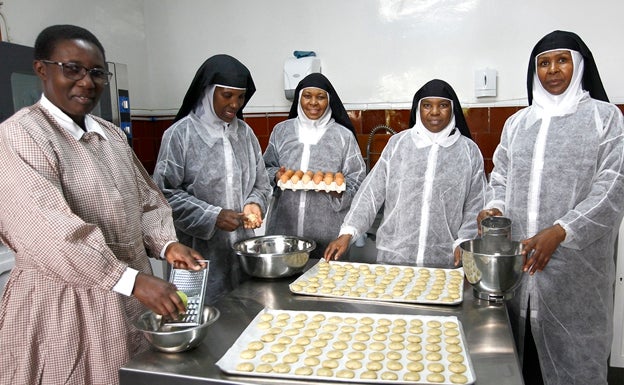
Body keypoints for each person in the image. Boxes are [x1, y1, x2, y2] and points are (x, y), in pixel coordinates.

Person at [0, 25, 205, 385]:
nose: (86, 82)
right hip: (65, 302)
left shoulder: (109, 135)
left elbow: (146, 203)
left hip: (129, 295)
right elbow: (51, 233)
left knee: (132, 373)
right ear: (41, 69)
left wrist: (166, 243)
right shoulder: (21, 135)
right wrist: (130, 280)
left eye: (96, 72)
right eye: (72, 69)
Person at [477, 30, 624, 385]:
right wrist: (494, 206)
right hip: (517, 270)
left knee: (575, 363)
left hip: (576, 272)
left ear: (580, 65)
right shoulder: (518, 124)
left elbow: (613, 187)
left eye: (562, 60)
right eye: (543, 63)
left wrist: (561, 231)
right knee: (518, 362)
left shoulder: (605, 119)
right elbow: (501, 176)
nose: (552, 70)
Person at [325, 79, 486, 267]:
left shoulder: (468, 151)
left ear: (452, 109)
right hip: (394, 258)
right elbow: (371, 193)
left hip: (444, 260)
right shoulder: (398, 145)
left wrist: (463, 242)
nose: (434, 112)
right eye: (427, 105)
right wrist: (349, 232)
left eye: (442, 105)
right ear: (418, 109)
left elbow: (476, 203)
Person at [153, 55, 271, 305]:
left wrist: (254, 204)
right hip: (196, 254)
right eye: (227, 95)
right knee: (199, 320)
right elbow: (164, 194)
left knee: (243, 320)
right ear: (207, 91)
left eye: (240, 97)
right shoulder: (180, 135)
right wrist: (212, 216)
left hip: (242, 251)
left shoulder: (245, 134)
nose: (235, 104)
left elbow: (261, 183)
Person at [263, 73, 366, 259]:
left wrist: (339, 191)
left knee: (327, 284)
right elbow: (264, 169)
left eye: (320, 97)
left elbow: (358, 179)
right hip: (285, 230)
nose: (313, 103)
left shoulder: (343, 136)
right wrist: (276, 176)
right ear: (299, 99)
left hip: (328, 234)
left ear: (329, 101)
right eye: (307, 96)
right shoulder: (281, 131)